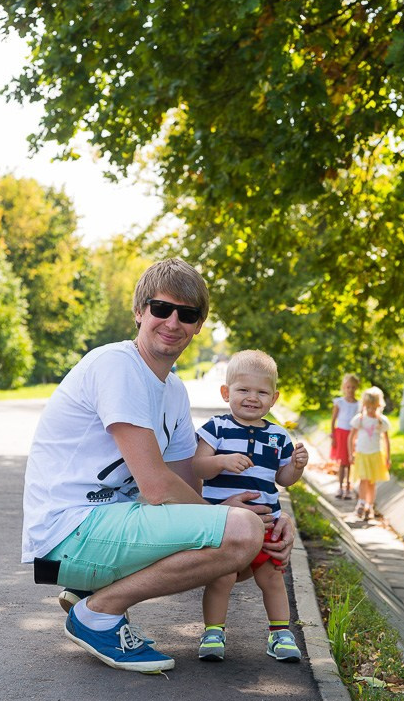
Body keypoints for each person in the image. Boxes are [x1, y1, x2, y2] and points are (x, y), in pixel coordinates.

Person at [22, 258, 295, 673]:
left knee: (240, 542)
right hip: (68, 529)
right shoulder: (117, 365)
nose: (172, 322)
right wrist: (235, 526)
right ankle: (98, 614)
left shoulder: (174, 390)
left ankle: (87, 589)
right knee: (237, 535)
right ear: (139, 311)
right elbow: (157, 488)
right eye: (160, 308)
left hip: (109, 523)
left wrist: (266, 519)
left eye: (187, 314)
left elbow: (191, 493)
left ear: (199, 325)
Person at [192, 350, 309, 663]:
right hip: (226, 524)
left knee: (271, 577)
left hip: (267, 522)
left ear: (274, 398)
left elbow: (284, 479)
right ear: (226, 392)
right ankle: (214, 630)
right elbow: (198, 468)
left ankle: (280, 633)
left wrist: (296, 467)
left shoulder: (278, 435)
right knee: (223, 577)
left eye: (262, 392)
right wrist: (222, 460)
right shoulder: (216, 428)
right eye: (243, 390)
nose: (252, 398)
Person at [347, 386, 391, 521]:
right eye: (369, 408)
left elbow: (387, 441)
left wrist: (388, 458)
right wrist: (351, 453)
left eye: (374, 408)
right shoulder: (360, 419)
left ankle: (369, 506)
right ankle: (361, 503)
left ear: (379, 406)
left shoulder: (381, 421)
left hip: (375, 455)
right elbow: (351, 437)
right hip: (362, 454)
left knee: (372, 482)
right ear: (364, 406)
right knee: (363, 480)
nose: (371, 411)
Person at [330, 374, 360, 499]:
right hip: (341, 434)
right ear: (344, 388)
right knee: (342, 462)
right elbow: (333, 420)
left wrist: (357, 438)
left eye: (353, 387)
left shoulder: (358, 404)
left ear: (356, 388)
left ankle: (348, 487)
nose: (350, 390)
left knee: (349, 462)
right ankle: (340, 487)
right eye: (348, 387)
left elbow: (359, 422)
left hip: (351, 435)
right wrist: (333, 436)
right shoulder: (339, 402)